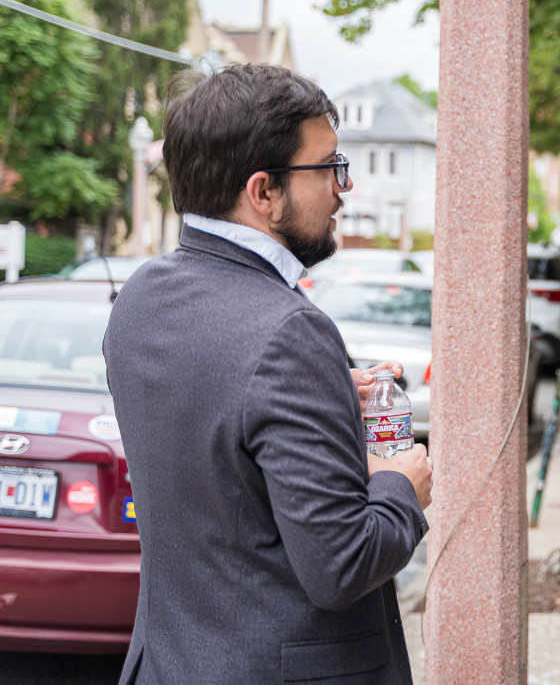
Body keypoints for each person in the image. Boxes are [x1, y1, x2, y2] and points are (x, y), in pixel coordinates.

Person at [104, 64, 433, 685]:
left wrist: (330, 399)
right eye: (329, 167)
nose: (345, 186)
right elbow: (342, 565)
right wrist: (400, 487)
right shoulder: (291, 332)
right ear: (264, 191)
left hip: (170, 664)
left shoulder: (141, 297)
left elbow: (220, 442)